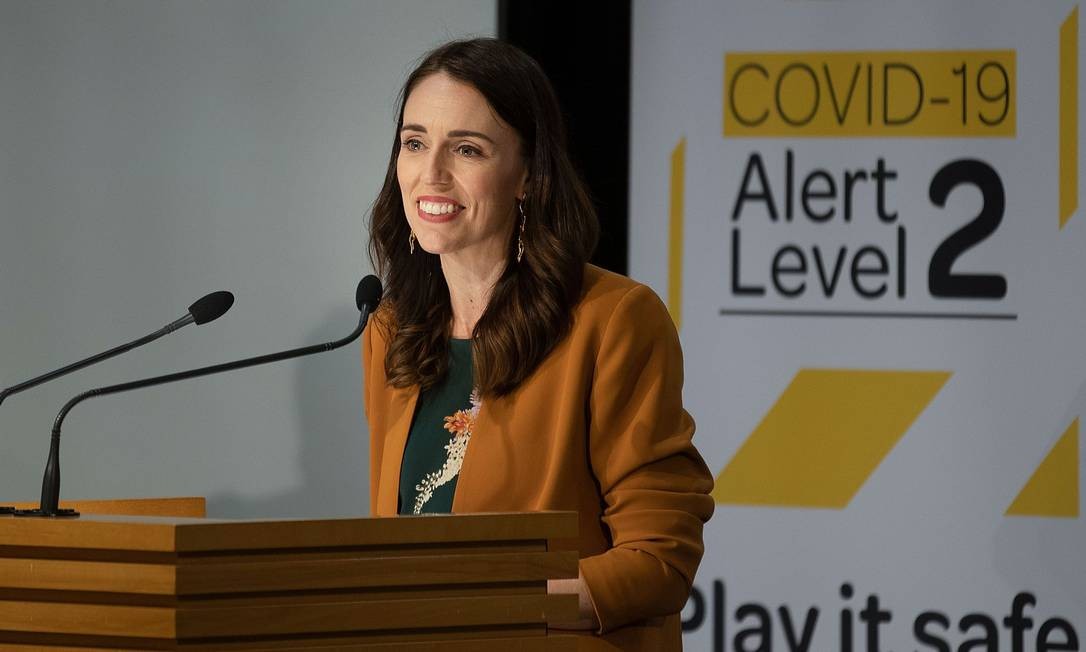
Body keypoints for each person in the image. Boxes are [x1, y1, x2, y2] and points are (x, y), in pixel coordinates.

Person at [362, 38, 714, 651]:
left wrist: (490, 604)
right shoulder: (393, 330)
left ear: (527, 173)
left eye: (467, 149)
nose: (431, 173)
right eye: (414, 143)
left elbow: (659, 561)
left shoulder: (611, 321)